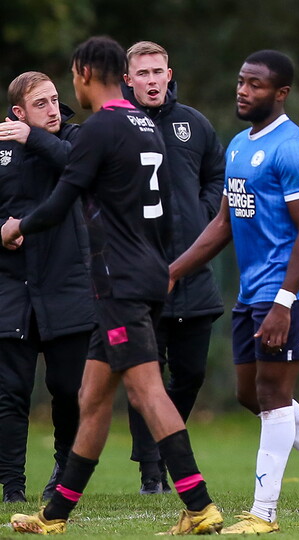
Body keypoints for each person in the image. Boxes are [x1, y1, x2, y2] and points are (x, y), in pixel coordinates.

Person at [3, 36, 222, 534]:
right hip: (139, 273)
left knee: (147, 391)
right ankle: (55, 515)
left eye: (71, 80)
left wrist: (16, 227)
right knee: (92, 398)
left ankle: (199, 504)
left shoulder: (102, 127)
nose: (67, 94)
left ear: (83, 73)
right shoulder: (145, 124)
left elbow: (61, 201)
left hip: (119, 280)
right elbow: (168, 207)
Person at [168, 49, 299, 534]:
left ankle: (263, 514)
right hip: (252, 290)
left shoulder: (293, 148)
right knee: (251, 394)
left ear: (280, 93)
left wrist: (284, 303)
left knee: (274, 394)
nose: (243, 90)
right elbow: (223, 222)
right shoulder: (238, 144)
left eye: (255, 85)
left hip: (290, 291)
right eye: (241, 81)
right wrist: (172, 271)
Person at [122, 40, 225, 496]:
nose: (151, 80)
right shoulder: (114, 128)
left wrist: (203, 215)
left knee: (192, 374)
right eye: (142, 73)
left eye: (157, 71)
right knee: (146, 378)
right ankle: (151, 472)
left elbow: (217, 176)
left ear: (169, 74)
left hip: (193, 275)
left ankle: (165, 450)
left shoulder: (194, 124)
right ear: (128, 80)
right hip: (141, 277)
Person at [0, 72, 94, 504]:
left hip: (67, 284)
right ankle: (11, 487)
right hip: (12, 288)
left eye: (56, 99)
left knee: (69, 391)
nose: (54, 109)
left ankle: (62, 472)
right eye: (42, 103)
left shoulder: (76, 139)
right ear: (18, 112)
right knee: (10, 394)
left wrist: (32, 138)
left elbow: (76, 168)